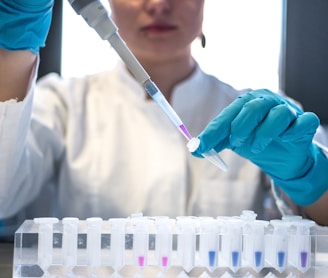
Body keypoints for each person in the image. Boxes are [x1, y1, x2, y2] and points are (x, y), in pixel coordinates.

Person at [0, 0, 328, 241]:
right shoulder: (61, 103)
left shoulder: (261, 117)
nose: (158, 4)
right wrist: (13, 48)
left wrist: (309, 176)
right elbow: (3, 198)